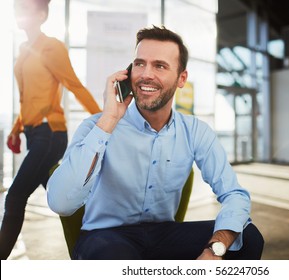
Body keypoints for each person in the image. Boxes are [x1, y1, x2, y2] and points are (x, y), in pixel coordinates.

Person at [47, 25, 264, 260]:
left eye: (159, 66)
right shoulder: (96, 127)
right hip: (105, 236)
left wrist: (215, 249)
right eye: (140, 63)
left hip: (163, 235)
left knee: (248, 238)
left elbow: (235, 195)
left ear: (181, 78)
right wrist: (110, 119)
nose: (145, 74)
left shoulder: (195, 131)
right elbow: (61, 203)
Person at [0, 0, 101, 260]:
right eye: (16, 9)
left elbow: (75, 86)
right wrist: (16, 128)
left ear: (42, 14)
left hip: (50, 133)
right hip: (34, 134)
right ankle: (99, 246)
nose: (18, 14)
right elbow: (27, 99)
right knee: (65, 199)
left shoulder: (51, 47)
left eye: (25, 8)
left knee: (14, 198)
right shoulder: (24, 50)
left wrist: (105, 122)